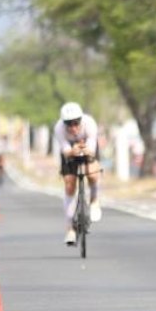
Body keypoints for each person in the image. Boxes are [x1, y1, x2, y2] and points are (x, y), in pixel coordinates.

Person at [54, 102, 102, 246]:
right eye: (69, 124)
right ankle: (70, 228)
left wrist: (86, 150)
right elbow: (65, 149)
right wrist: (72, 151)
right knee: (69, 185)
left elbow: (92, 147)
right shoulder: (59, 129)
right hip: (69, 152)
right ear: (64, 124)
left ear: (81, 120)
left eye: (76, 123)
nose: (73, 127)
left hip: (88, 147)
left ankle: (94, 200)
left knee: (92, 173)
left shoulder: (90, 124)